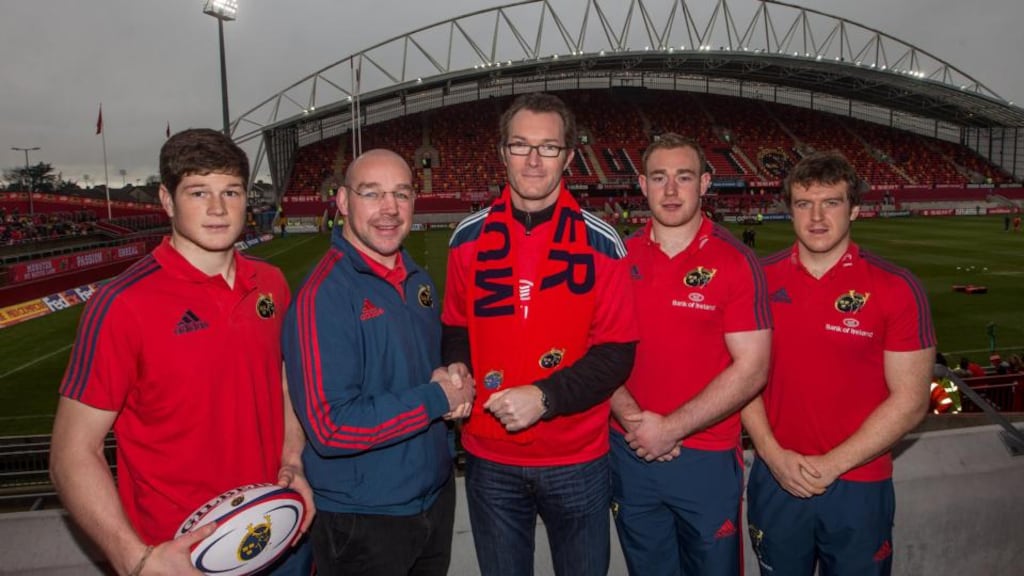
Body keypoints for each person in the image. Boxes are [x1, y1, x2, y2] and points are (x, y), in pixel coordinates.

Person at [49, 128, 313, 576]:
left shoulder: (272, 284)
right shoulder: (121, 304)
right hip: (180, 557)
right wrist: (135, 559)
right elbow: (72, 454)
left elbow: (285, 384)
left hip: (277, 533)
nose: (217, 208)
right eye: (198, 192)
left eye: (231, 191)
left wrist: (292, 461)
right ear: (167, 201)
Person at [441, 92, 638, 576]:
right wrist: (457, 368)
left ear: (569, 156)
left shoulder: (602, 241)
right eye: (520, 145)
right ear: (502, 152)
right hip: (489, 461)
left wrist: (545, 397)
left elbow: (616, 354)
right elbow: (455, 327)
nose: (532, 160)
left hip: (578, 460)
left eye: (547, 147)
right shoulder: (466, 238)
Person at [742, 152, 935, 576]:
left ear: (855, 210)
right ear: (789, 209)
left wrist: (830, 465)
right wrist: (773, 456)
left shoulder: (897, 288)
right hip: (777, 479)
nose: (816, 216)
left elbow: (911, 400)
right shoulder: (755, 280)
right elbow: (740, 379)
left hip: (859, 483)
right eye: (803, 203)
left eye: (830, 202)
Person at [283, 148, 474, 576]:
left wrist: (449, 370)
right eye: (372, 194)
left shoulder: (418, 279)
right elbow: (331, 427)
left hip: (435, 500)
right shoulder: (323, 297)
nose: (389, 209)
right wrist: (437, 397)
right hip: (364, 521)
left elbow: (422, 361)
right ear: (344, 203)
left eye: (401, 194)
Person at [608, 134, 771, 576]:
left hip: (705, 455)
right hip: (630, 451)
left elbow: (753, 369)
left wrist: (670, 428)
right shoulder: (616, 259)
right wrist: (637, 424)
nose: (672, 190)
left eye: (684, 177)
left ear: (705, 183)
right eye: (659, 177)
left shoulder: (736, 261)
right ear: (642, 184)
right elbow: (594, 352)